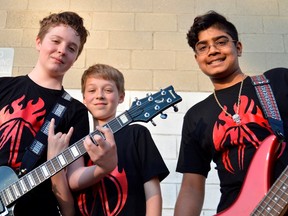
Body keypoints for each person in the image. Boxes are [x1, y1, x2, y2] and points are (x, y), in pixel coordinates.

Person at [0, 12, 117, 216]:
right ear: (39, 42)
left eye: (71, 48)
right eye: (55, 41)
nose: (62, 50)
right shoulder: (3, 86)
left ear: (75, 58)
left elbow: (73, 177)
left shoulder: (75, 111)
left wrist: (103, 168)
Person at [174, 10, 288, 215]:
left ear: (238, 48)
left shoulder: (277, 81)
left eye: (221, 42)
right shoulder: (196, 116)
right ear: (197, 58)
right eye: (203, 47)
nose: (212, 50)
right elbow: (191, 187)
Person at [73, 63, 170, 215]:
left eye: (108, 90)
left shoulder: (137, 134)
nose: (99, 95)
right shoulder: (78, 144)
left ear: (121, 97)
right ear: (84, 98)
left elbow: (152, 191)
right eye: (92, 90)